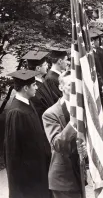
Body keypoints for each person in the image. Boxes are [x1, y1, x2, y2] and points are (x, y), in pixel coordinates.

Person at [5, 70, 51, 198]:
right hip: (27, 175)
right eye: (34, 85)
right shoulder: (17, 112)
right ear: (26, 88)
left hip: (37, 167)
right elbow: (14, 152)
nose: (37, 87)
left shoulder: (28, 103)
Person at [42, 71, 87, 198]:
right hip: (62, 178)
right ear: (61, 87)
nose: (73, 89)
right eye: (69, 85)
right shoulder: (50, 114)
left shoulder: (81, 108)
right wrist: (73, 123)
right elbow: (57, 144)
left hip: (78, 174)